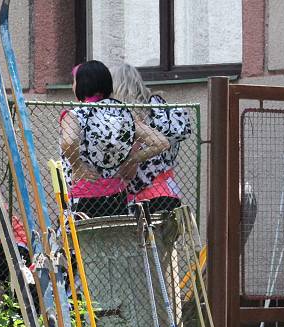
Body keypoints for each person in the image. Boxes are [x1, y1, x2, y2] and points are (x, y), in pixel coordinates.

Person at [59, 60, 169, 218]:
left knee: (79, 241)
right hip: (117, 198)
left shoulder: (75, 115)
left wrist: (77, 165)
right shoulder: (122, 116)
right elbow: (160, 142)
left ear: (81, 85)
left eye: (74, 81)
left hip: (83, 196)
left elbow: (68, 141)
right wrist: (132, 159)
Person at [110, 62, 191, 213]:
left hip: (141, 197)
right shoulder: (156, 110)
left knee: (144, 236)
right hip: (167, 189)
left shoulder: (125, 117)